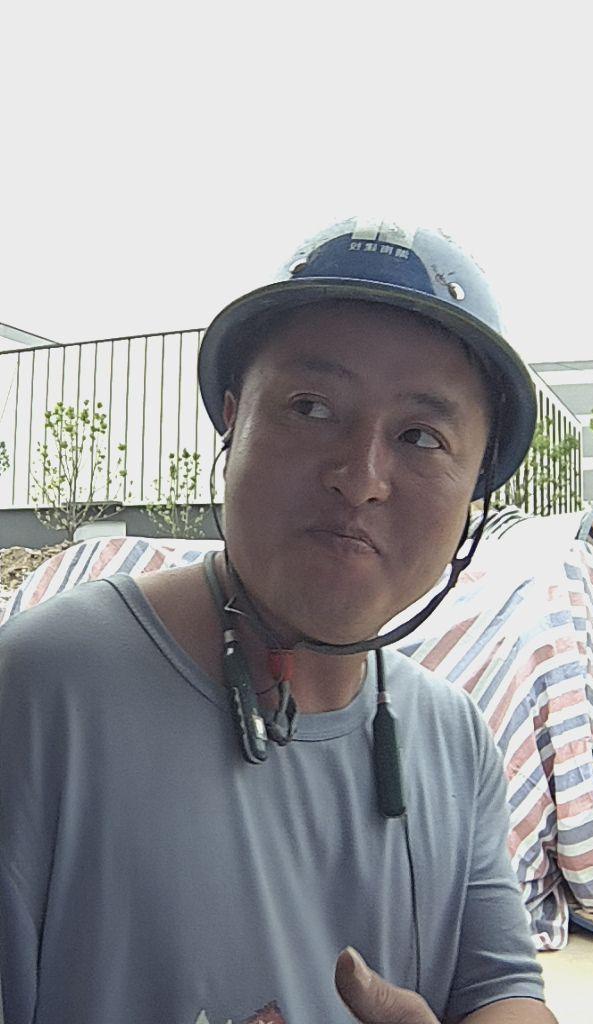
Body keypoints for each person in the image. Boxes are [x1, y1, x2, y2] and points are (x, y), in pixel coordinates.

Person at [0, 219, 557, 1024]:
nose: (360, 478)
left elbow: (502, 989)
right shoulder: (45, 690)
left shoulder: (453, 740)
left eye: (420, 436)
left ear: (476, 489)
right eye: (312, 407)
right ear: (233, 423)